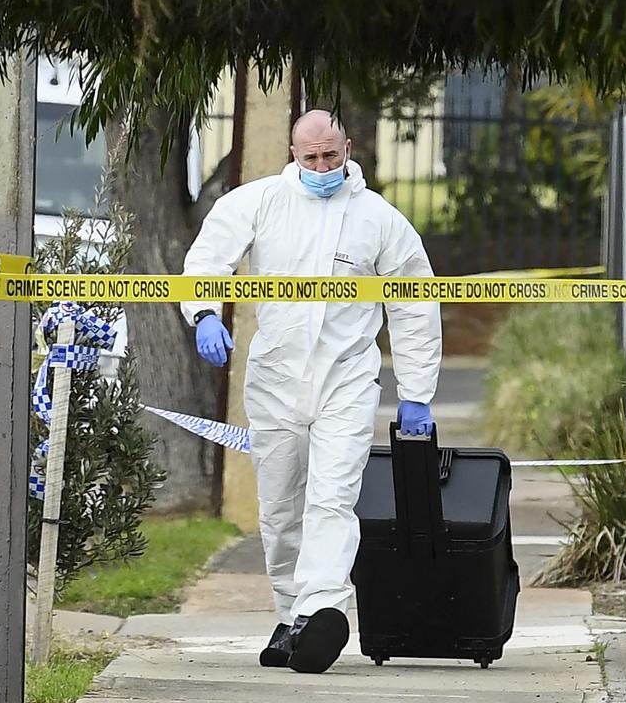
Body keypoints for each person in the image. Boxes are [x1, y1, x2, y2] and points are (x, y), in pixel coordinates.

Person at [180, 110, 442, 674]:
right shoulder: (259, 202)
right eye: (311, 158)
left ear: (347, 147)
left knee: (332, 498)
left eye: (331, 156)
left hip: (346, 378)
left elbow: (416, 304)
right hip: (275, 378)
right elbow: (207, 260)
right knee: (279, 508)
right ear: (294, 154)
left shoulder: (379, 220)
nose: (323, 167)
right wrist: (204, 312)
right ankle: (290, 617)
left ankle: (323, 607)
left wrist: (416, 391)